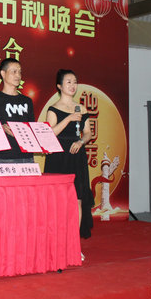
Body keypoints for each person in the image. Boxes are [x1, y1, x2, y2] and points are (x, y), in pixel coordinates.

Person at [44, 69, 94, 246]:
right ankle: (57, 242)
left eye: (75, 82)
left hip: (76, 155)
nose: (73, 85)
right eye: (69, 82)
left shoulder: (81, 108)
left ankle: (74, 244)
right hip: (58, 156)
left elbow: (88, 133)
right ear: (59, 86)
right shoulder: (53, 109)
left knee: (77, 199)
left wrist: (81, 141)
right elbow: (50, 134)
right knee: (59, 201)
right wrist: (69, 119)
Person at [0, 58, 35, 163]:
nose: (18, 75)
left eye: (20, 72)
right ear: (3, 74)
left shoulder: (27, 101)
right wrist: (1, 127)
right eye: (14, 72)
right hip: (5, 156)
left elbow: (32, 127)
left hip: (28, 156)